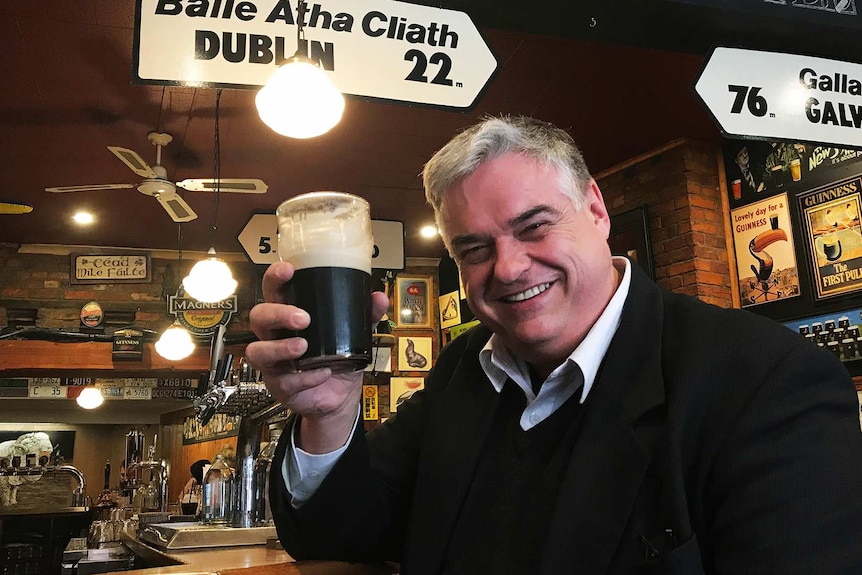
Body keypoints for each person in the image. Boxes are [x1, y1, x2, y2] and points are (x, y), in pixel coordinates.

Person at [246, 116, 862, 574]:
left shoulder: (764, 383)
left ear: (595, 209)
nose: (508, 268)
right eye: (474, 249)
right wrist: (327, 414)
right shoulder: (464, 369)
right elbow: (341, 538)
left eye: (534, 226)